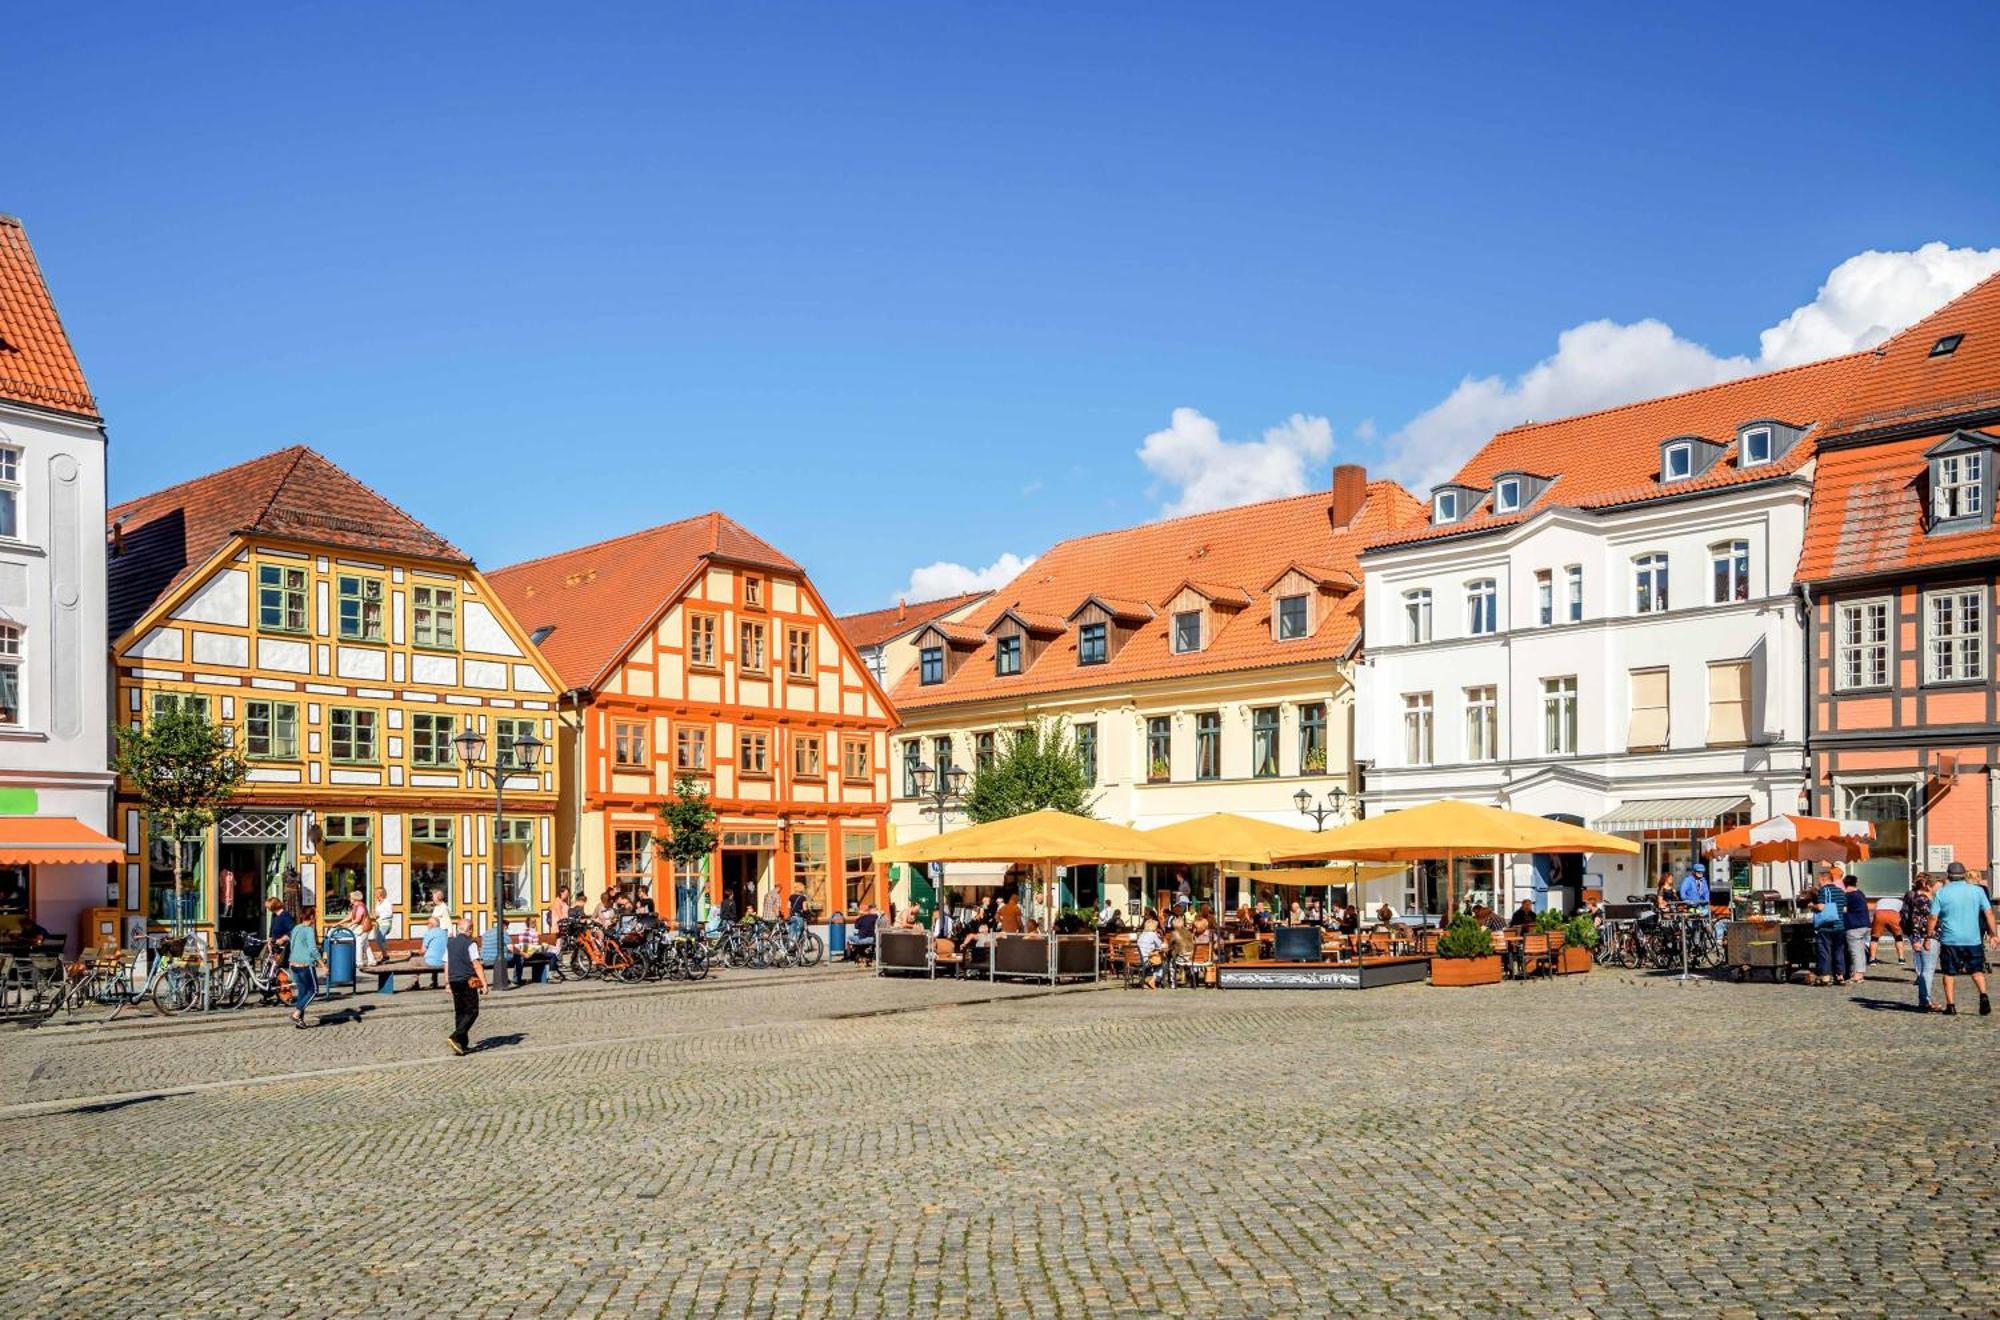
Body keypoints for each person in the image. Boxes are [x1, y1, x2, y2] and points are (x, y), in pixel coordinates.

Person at [1931, 861, 1995, 1016]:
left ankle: (1951, 1005)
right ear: (1964, 874)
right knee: (1977, 971)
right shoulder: (1977, 891)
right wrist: (1994, 934)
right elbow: (1989, 913)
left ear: (1949, 875)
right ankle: (1983, 995)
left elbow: (1933, 917)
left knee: (1949, 973)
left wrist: (1928, 934)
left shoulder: (1942, 893)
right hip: (1973, 938)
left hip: (1950, 939)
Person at [445, 914, 488, 1056]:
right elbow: (476, 964)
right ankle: (456, 1036)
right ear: (469, 930)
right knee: (472, 1011)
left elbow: (446, 963)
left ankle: (461, 1045)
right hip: (467, 980)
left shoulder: (450, 943)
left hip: (453, 980)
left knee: (460, 1012)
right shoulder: (471, 944)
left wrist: (447, 982)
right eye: (472, 929)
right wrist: (484, 984)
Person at [1902, 875, 1938, 1012]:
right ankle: (1925, 1001)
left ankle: (1924, 1000)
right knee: (1928, 970)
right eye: (1936, 887)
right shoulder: (1922, 899)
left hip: (1930, 937)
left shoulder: (1930, 898)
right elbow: (1915, 920)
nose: (1938, 889)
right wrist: (1916, 939)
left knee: (1927, 969)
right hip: (1925, 937)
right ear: (1928, 886)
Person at [1810, 869, 1848, 987]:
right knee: (1839, 951)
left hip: (1826, 927)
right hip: (1840, 926)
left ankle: (1826, 977)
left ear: (1823, 879)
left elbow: (1821, 907)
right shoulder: (1841, 891)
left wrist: (1812, 905)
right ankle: (1840, 976)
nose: (1818, 883)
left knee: (1824, 951)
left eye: (1819, 881)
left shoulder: (1824, 890)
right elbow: (1845, 909)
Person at [286, 915, 320, 1029]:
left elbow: (292, 945)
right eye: (315, 916)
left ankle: (300, 1021)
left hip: (293, 963)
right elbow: (313, 949)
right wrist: (323, 964)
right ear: (311, 917)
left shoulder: (296, 928)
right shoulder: (309, 930)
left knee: (302, 992)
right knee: (314, 990)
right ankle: (296, 1014)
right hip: (305, 964)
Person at [1840, 874, 1873, 984]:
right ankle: (1860, 973)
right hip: (1865, 924)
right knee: (1860, 951)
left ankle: (1857, 974)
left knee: (1855, 951)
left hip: (1854, 925)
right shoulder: (1860, 893)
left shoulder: (1848, 895)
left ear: (1845, 884)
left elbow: (1842, 909)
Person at [1871, 890, 1905, 964]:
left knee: (1874, 937)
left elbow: (1875, 910)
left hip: (1879, 913)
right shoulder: (1900, 902)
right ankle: (1901, 958)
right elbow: (1903, 914)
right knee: (1898, 937)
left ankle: (1872, 959)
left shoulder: (1881, 900)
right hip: (1893, 914)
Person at [1135, 916, 1166, 989]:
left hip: (1137, 959)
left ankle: (1145, 980)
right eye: (1156, 927)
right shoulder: (1153, 935)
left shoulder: (1141, 934)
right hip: (1145, 960)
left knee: (1154, 960)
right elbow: (1160, 946)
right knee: (1163, 962)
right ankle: (1154, 979)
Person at [371, 886, 395, 961]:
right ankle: (385, 956)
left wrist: (379, 916)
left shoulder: (387, 902)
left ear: (380, 894)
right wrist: (374, 914)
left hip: (385, 923)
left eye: (376, 892)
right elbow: (377, 912)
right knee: (380, 939)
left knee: (378, 938)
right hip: (379, 923)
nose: (374, 894)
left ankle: (385, 955)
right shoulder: (378, 902)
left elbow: (390, 913)